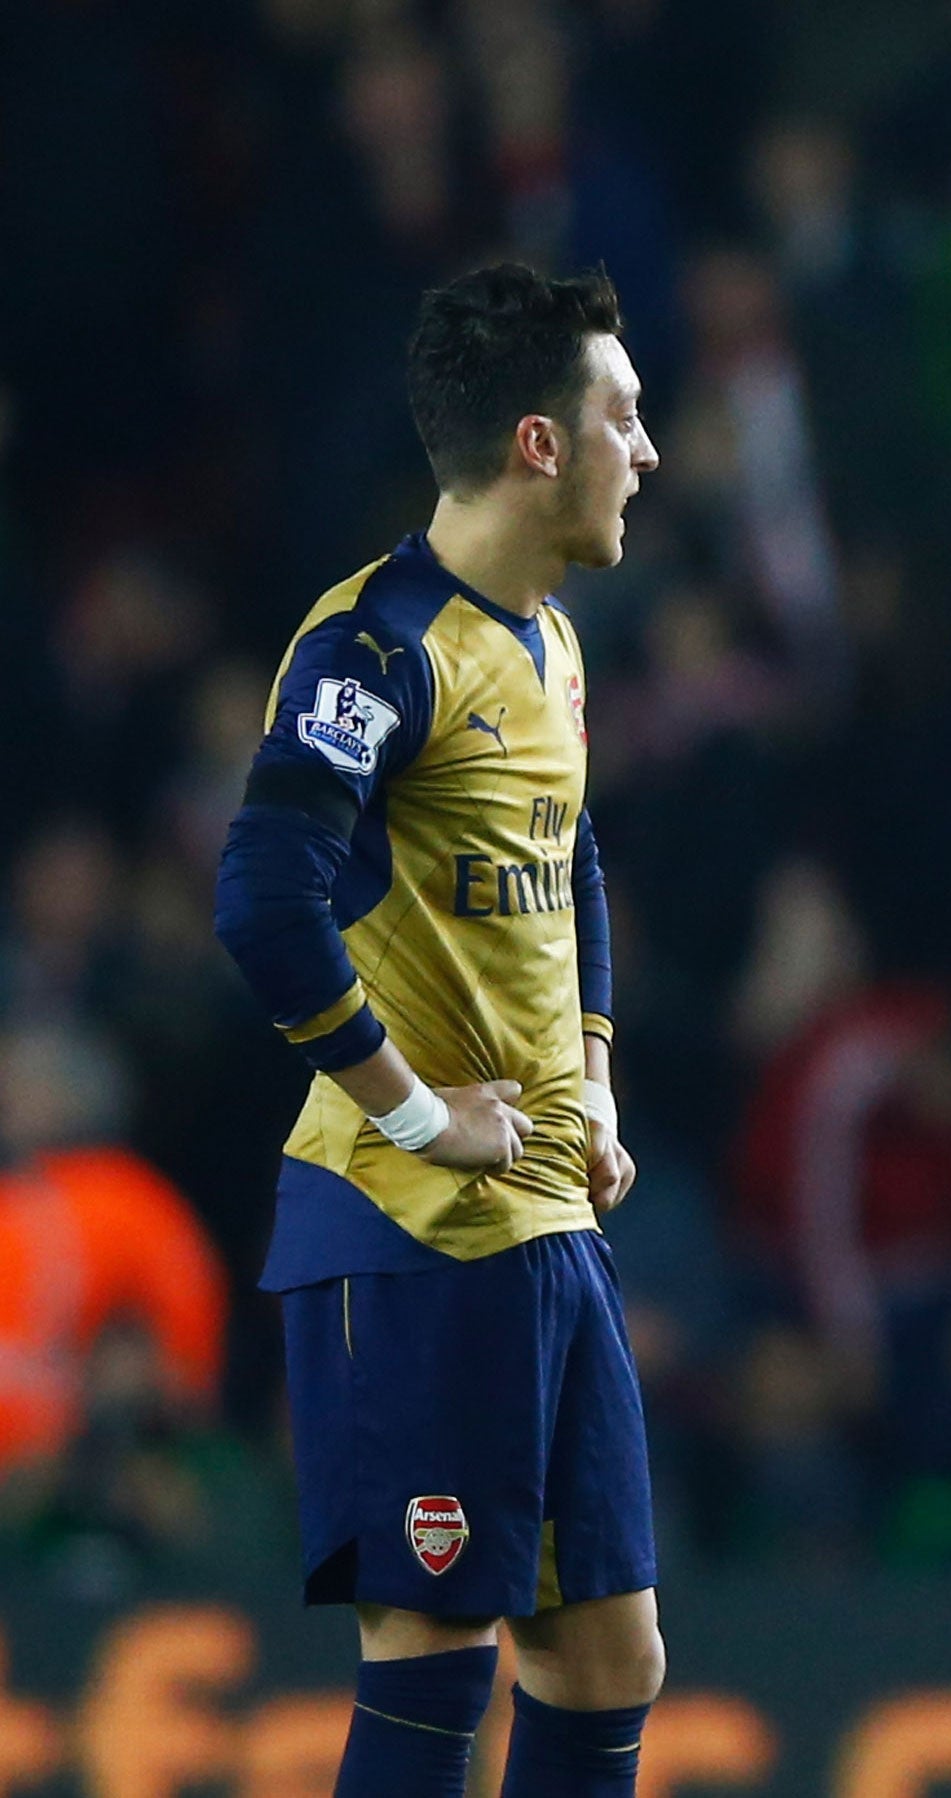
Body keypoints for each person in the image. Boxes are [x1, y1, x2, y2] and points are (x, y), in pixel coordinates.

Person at [214, 264, 661, 1797]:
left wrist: (590, 1077)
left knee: (609, 1659)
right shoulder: (374, 645)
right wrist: (411, 1108)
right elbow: (263, 901)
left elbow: (571, 854)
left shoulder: (548, 641)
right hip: (407, 1227)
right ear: (542, 443)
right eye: (624, 412)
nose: (648, 450)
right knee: (436, 1656)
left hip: (541, 1219)